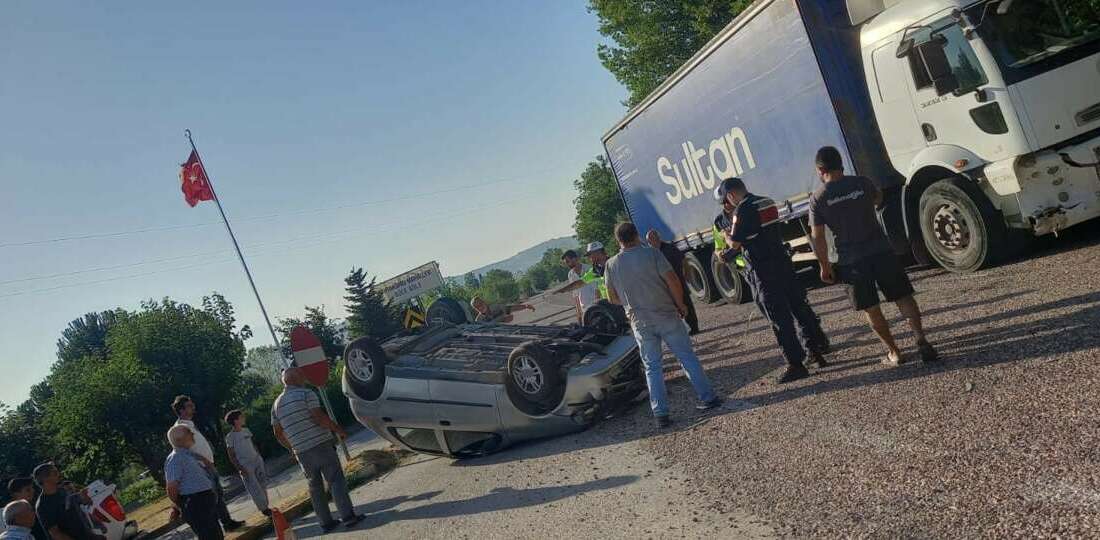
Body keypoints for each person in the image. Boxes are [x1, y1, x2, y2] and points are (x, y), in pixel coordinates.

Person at [810, 146, 938, 365]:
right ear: (840, 163)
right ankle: (921, 340)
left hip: (852, 261)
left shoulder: (818, 198)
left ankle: (895, 353)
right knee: (903, 297)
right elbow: (878, 199)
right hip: (881, 251)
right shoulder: (862, 183)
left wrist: (824, 266)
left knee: (871, 308)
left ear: (821, 169)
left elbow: (818, 237)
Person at [604, 222, 723, 428]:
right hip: (666, 314)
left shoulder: (611, 264)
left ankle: (661, 414)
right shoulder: (652, 254)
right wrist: (681, 304)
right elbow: (673, 281)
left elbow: (612, 297)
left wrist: (630, 300)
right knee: (686, 357)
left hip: (639, 321)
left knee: (652, 367)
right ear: (636, 235)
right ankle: (708, 398)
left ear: (618, 241)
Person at [716, 177, 831, 384]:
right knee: (799, 306)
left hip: (763, 270)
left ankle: (796, 364)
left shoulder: (742, 210)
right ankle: (816, 349)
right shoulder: (766, 201)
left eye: (726, 199)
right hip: (783, 263)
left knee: (778, 317)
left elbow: (735, 243)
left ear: (731, 195)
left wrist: (726, 238)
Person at [272, 368, 364, 532]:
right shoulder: (306, 394)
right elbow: (319, 417)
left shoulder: (276, 404)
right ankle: (348, 517)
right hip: (320, 444)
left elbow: (277, 433)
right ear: (295, 378)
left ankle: (326, 523)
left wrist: (291, 447)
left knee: (314, 487)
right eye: (302, 376)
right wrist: (338, 430)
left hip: (301, 451)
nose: (305, 378)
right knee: (335, 479)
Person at [166, 396, 244, 532]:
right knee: (213, 498)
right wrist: (205, 462)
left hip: (207, 466)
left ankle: (227, 522)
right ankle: (224, 524)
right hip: (201, 469)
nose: (193, 407)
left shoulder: (190, 424)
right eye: (189, 406)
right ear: (182, 410)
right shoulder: (180, 429)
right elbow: (186, 451)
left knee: (217, 496)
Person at [165, 425, 223, 540]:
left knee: (216, 535)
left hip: (204, 500)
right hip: (195, 503)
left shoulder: (188, 454)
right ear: (179, 440)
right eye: (188, 432)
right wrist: (179, 505)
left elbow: (208, 467)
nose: (192, 434)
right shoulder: (175, 459)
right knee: (209, 536)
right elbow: (172, 487)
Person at [645, 229, 699, 334]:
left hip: (678, 281)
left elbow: (683, 260)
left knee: (686, 304)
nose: (650, 242)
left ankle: (694, 327)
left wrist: (687, 274)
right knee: (672, 308)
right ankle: (681, 329)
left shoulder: (670, 248)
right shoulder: (651, 253)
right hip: (664, 286)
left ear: (657, 238)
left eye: (652, 239)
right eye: (649, 241)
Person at [32, 463, 102, 540]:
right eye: (55, 473)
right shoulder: (42, 505)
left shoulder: (63, 491)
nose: (59, 474)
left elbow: (81, 506)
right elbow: (56, 534)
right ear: (45, 479)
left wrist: (84, 498)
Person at [224, 410, 270, 517]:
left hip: (256, 460)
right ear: (236, 421)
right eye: (241, 417)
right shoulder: (230, 437)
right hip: (245, 465)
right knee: (254, 487)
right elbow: (231, 455)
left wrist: (258, 456)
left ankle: (266, 505)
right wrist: (239, 468)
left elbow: (252, 444)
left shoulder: (246, 430)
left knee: (262, 483)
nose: (244, 418)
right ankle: (264, 509)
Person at [561, 249, 600, 324]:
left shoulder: (589, 269)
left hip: (596, 307)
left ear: (575, 258)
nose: (567, 264)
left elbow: (597, 290)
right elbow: (576, 296)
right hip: (584, 310)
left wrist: (598, 307)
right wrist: (579, 315)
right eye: (566, 263)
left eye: (568, 261)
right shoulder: (570, 274)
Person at [470, 296, 534, 323]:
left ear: (484, 302)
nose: (480, 307)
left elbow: (510, 308)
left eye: (481, 303)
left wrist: (525, 306)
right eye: (477, 307)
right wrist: (503, 321)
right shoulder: (479, 321)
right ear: (475, 309)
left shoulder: (496, 307)